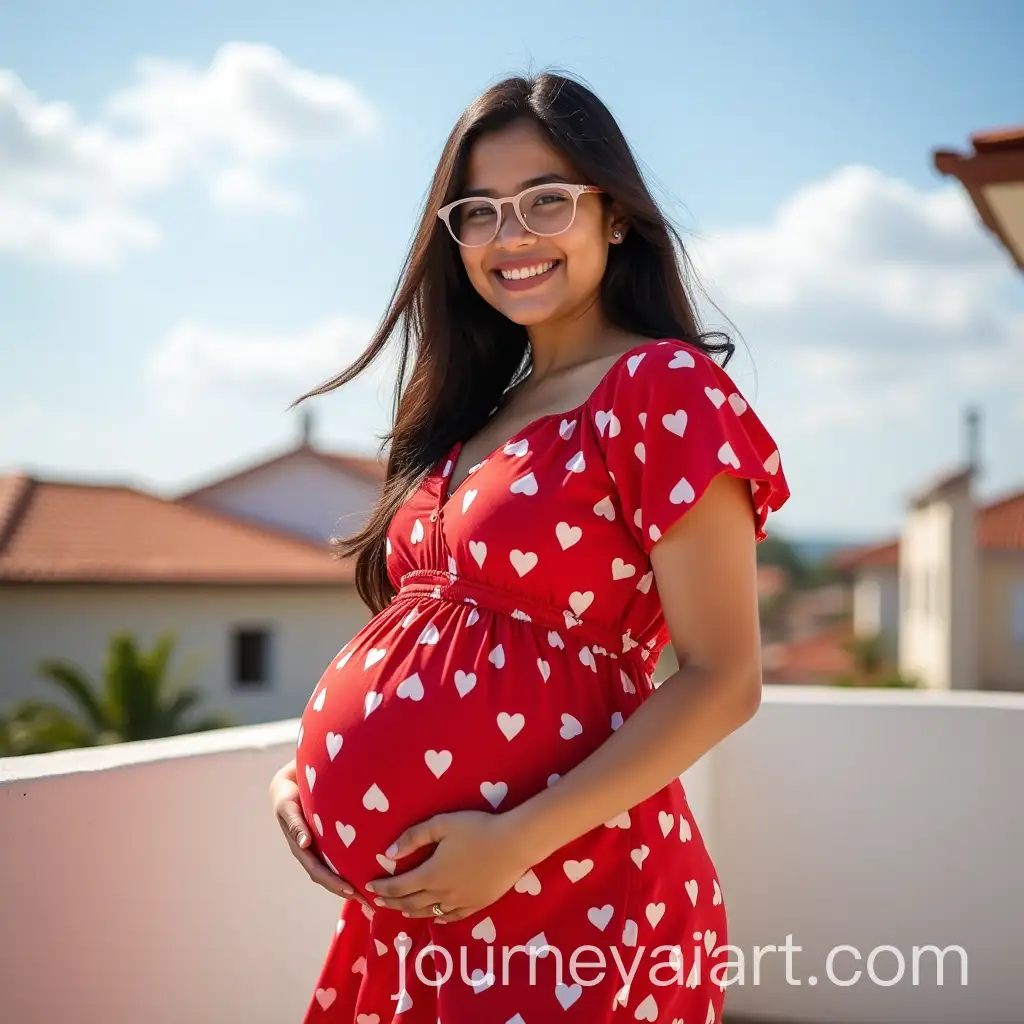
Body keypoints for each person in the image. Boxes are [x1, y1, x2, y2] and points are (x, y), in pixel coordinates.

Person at [269, 70, 790, 1023]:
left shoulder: (658, 389)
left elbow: (724, 678)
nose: (512, 236)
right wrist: (303, 784)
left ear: (616, 216)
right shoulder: (471, 416)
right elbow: (423, 641)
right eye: (479, 212)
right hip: (411, 919)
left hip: (570, 897)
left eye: (546, 199)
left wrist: (516, 840)